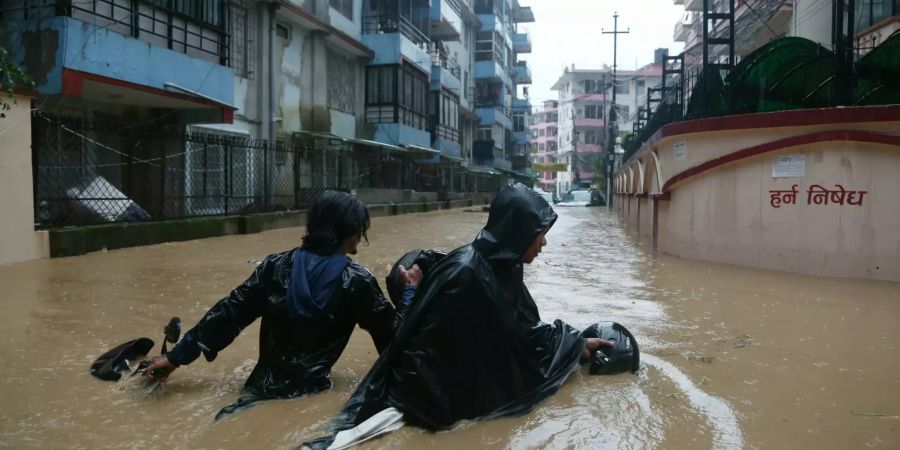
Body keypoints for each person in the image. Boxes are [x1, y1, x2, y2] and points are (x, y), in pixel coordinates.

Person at [313, 185, 612, 446]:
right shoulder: (465, 273)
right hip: (422, 398)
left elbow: (524, 329)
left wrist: (574, 344)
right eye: (540, 235)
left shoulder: (506, 268)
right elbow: (424, 349)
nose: (543, 244)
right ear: (518, 233)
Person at [144, 191, 423, 419]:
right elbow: (393, 343)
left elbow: (228, 314)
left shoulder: (274, 268)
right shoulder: (357, 282)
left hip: (255, 393)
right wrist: (410, 293)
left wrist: (176, 358)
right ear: (350, 234)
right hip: (312, 398)